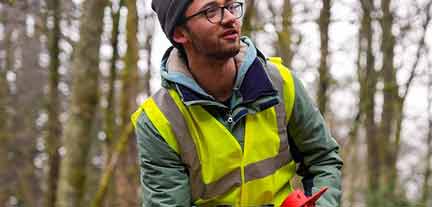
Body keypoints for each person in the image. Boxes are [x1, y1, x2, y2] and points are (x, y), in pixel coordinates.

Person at [131, 0, 343, 206]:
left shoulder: (281, 83)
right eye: (211, 11)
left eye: (231, 6)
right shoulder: (158, 120)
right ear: (180, 33)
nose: (230, 18)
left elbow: (323, 159)